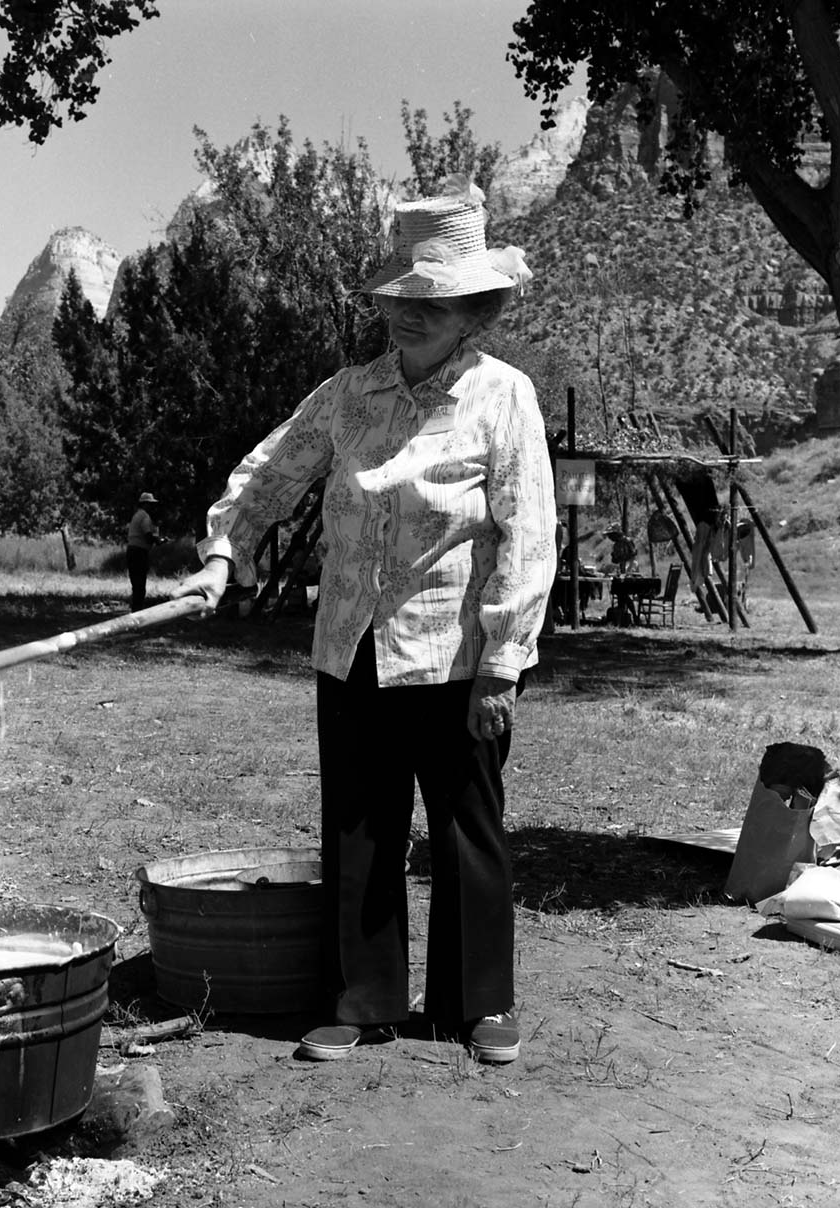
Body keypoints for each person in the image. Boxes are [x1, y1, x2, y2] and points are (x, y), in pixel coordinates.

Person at [171, 178, 556, 1065]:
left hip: (459, 654)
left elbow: (528, 532)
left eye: (436, 301)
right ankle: (364, 997)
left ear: (474, 309)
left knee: (468, 829)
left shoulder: (503, 397)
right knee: (358, 827)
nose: (412, 316)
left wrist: (505, 659)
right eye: (402, 300)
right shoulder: (349, 394)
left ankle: (479, 1005)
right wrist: (227, 549)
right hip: (350, 648)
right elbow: (272, 469)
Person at [126, 491, 159, 611]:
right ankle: (138, 610)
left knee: (135, 583)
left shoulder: (136, 515)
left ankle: (135, 608)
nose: (152, 507)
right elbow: (148, 536)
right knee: (140, 584)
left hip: (131, 550)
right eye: (150, 504)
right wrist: (158, 540)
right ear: (145, 504)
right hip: (139, 552)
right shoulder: (145, 517)